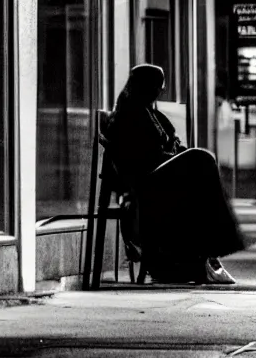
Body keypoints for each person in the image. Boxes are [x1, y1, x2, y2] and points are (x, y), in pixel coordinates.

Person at [104, 64, 245, 284]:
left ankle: (206, 254)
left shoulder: (147, 111)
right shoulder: (130, 114)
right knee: (202, 158)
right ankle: (214, 248)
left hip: (157, 175)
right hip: (146, 181)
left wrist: (176, 152)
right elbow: (143, 157)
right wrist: (175, 154)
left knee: (201, 167)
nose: (160, 91)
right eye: (157, 86)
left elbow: (168, 144)